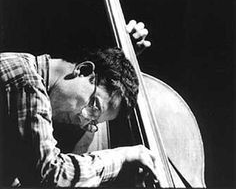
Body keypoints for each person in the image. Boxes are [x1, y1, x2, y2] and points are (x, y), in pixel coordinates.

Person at [0, 20, 158, 187]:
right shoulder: (25, 81)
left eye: (92, 123)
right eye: (94, 108)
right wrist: (124, 157)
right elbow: (51, 175)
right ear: (83, 70)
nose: (82, 120)